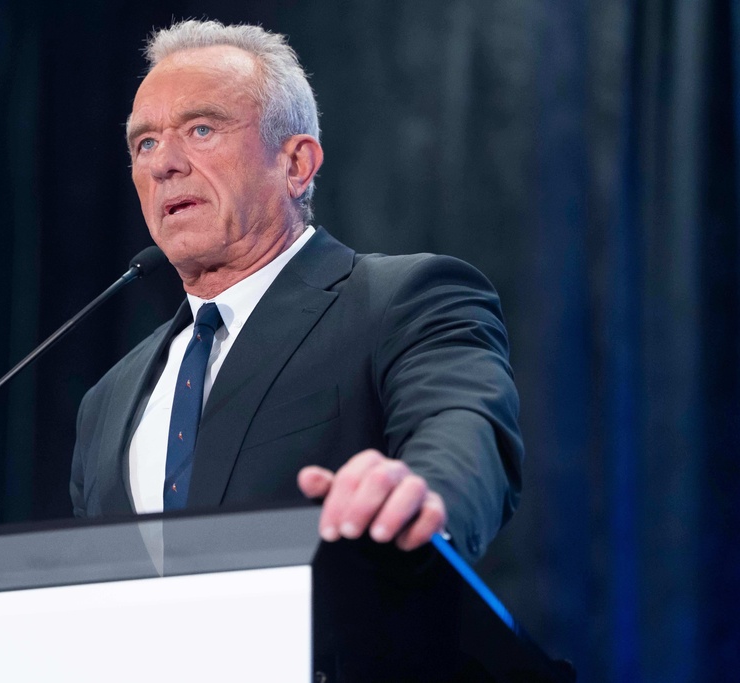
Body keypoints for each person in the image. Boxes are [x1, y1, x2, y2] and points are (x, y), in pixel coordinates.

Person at [70, 19, 523, 563]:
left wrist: (425, 493)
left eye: (201, 130)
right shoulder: (106, 400)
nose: (163, 163)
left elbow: (464, 431)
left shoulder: (402, 301)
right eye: (144, 142)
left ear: (296, 164)